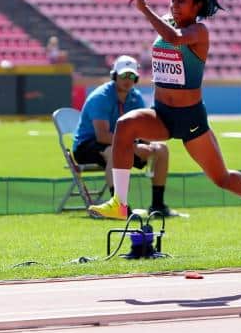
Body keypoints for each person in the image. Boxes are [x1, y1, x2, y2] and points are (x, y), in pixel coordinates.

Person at [88, 0, 241, 224]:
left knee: (221, 178)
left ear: (197, 6)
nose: (174, 5)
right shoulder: (167, 23)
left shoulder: (199, 32)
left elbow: (174, 39)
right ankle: (120, 203)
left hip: (190, 118)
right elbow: (167, 35)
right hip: (162, 113)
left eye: (181, 1)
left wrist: (144, 9)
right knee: (124, 125)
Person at [72, 55, 175, 216]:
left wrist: (148, 145)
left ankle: (158, 205)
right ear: (114, 76)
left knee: (161, 149)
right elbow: (102, 136)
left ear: (136, 78)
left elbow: (144, 129)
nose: (128, 80)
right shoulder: (101, 97)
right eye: (124, 75)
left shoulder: (136, 97)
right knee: (114, 151)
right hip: (88, 146)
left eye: (131, 76)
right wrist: (134, 146)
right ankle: (119, 207)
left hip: (124, 143)